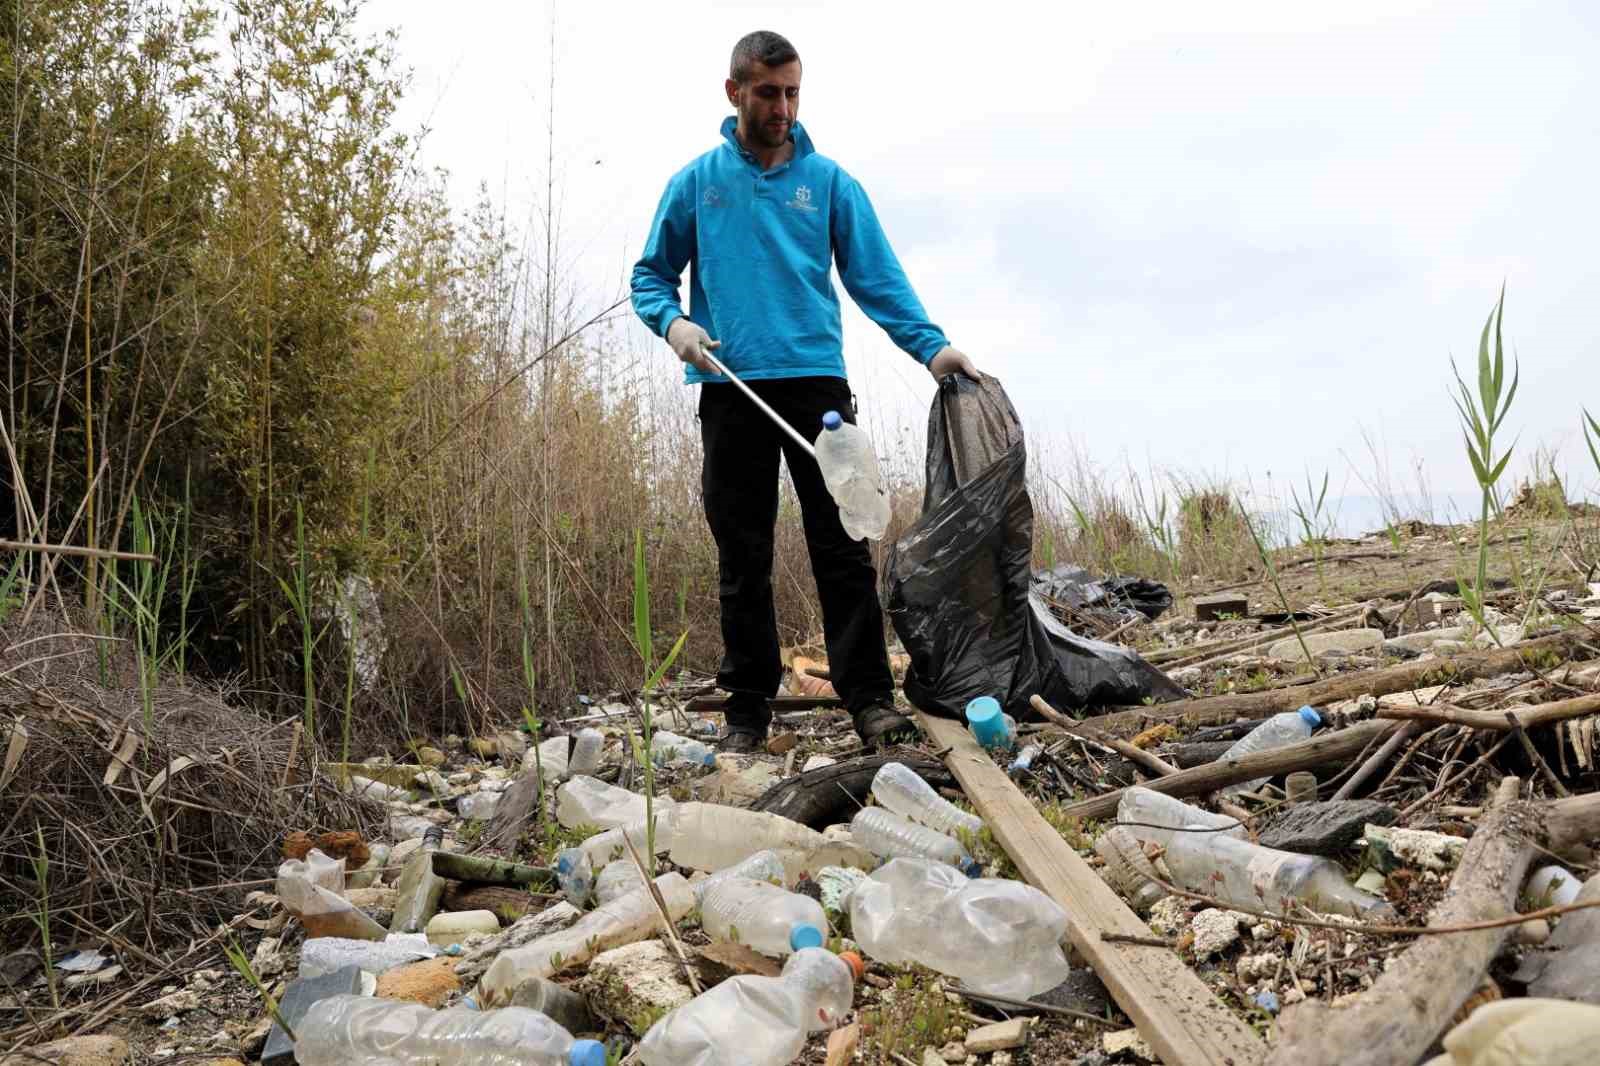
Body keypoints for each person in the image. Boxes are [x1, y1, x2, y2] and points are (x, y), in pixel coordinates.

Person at [630, 30, 980, 753]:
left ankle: (870, 702)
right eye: (768, 92)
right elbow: (649, 277)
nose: (783, 107)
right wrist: (674, 327)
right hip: (729, 386)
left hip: (817, 387)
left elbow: (876, 279)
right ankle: (748, 710)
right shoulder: (698, 183)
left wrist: (932, 348)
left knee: (845, 543)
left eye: (792, 93)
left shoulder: (828, 185)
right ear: (735, 92)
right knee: (743, 555)